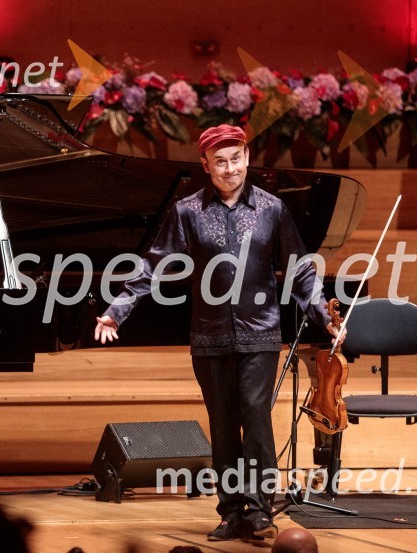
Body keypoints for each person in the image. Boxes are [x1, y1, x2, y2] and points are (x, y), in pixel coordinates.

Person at [94, 124, 342, 541]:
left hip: (260, 333)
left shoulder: (272, 209)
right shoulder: (187, 210)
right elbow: (152, 265)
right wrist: (117, 311)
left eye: (236, 159)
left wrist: (324, 315)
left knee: (255, 417)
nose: (230, 169)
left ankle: (260, 509)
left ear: (247, 158)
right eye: (220, 162)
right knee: (223, 424)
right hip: (209, 335)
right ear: (206, 166)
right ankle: (230, 512)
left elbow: (299, 272)